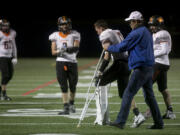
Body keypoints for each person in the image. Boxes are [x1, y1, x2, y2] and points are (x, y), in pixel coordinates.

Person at [103, 11, 164, 129]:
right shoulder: (146, 31)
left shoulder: (137, 32)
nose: (130, 23)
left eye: (131, 21)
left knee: (127, 93)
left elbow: (122, 47)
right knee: (149, 97)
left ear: (136, 21)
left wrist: (108, 47)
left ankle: (120, 121)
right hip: (149, 67)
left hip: (141, 68)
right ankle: (159, 123)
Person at [94, 19, 145, 127]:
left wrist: (100, 72)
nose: (97, 32)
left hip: (120, 63)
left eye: (97, 30)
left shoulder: (104, 34)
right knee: (124, 94)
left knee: (99, 81)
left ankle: (101, 117)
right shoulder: (116, 31)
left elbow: (107, 55)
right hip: (127, 63)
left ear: (101, 28)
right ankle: (138, 115)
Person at [144, 15, 176, 119]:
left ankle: (152, 110)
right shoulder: (157, 34)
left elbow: (164, 50)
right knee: (163, 89)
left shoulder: (162, 34)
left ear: (160, 25)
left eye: (154, 25)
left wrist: (150, 54)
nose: (152, 27)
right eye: (151, 25)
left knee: (146, 85)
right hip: (162, 64)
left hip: (159, 64)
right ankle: (170, 112)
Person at [49, 16, 80, 115]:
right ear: (59, 25)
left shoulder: (75, 34)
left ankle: (71, 104)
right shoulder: (54, 35)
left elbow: (76, 48)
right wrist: (59, 51)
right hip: (61, 62)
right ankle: (66, 106)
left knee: (73, 85)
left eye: (66, 24)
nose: (65, 26)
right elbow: (53, 52)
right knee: (63, 85)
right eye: (63, 24)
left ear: (69, 24)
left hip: (72, 62)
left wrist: (65, 49)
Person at [0, 19, 17, 100]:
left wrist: (15, 56)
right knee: (5, 75)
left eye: (6, 25)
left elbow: (14, 46)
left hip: (9, 57)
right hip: (1, 56)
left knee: (10, 75)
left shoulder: (13, 33)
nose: (5, 27)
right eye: (4, 25)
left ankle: (1, 89)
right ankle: (4, 94)